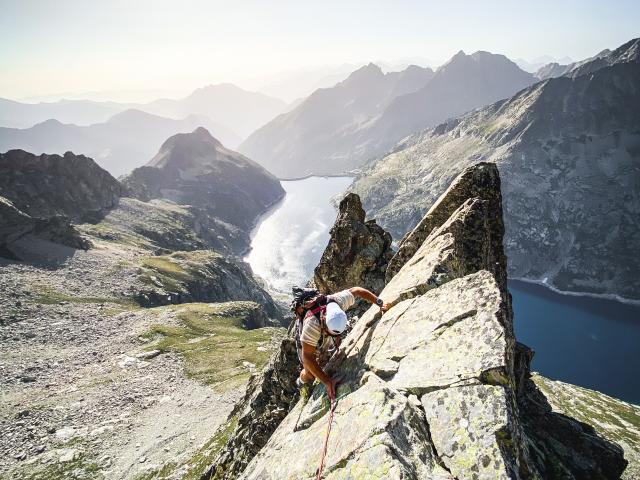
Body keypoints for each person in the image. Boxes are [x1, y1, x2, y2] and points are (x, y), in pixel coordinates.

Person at [291, 286, 390, 401]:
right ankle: (301, 381)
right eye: (331, 333)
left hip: (322, 328)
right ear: (324, 321)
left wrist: (379, 303)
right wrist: (327, 382)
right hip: (307, 338)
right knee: (311, 373)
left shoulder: (338, 301)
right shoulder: (311, 325)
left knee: (323, 360)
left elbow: (357, 291)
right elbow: (307, 357)